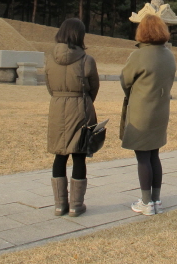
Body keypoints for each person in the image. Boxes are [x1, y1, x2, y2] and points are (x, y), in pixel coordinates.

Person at [120, 15, 176, 215]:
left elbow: (125, 80)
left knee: (143, 156)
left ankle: (146, 202)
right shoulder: (169, 55)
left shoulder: (138, 55)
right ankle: (156, 199)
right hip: (161, 109)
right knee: (154, 155)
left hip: (141, 111)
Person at [46, 18, 100, 217]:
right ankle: (76, 205)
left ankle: (60, 205)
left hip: (57, 108)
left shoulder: (49, 59)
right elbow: (94, 87)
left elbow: (49, 86)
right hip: (80, 108)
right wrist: (83, 100)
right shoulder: (87, 60)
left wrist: (61, 97)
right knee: (79, 156)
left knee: (59, 155)